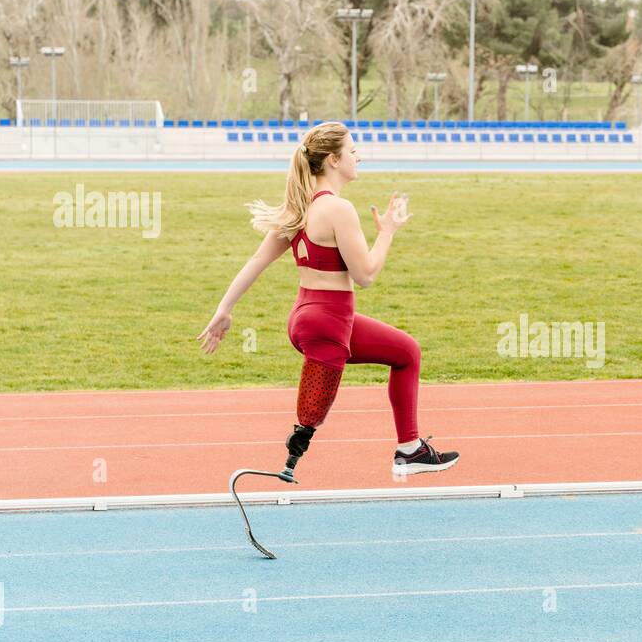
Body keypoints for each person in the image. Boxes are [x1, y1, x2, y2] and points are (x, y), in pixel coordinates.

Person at [197, 121, 459, 478]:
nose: (359, 157)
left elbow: (257, 260)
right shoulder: (338, 209)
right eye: (353, 151)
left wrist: (224, 309)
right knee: (311, 416)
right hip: (328, 322)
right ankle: (321, 444)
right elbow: (365, 275)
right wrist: (387, 233)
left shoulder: (298, 206)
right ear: (334, 160)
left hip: (307, 317)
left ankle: (410, 450)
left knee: (407, 352)